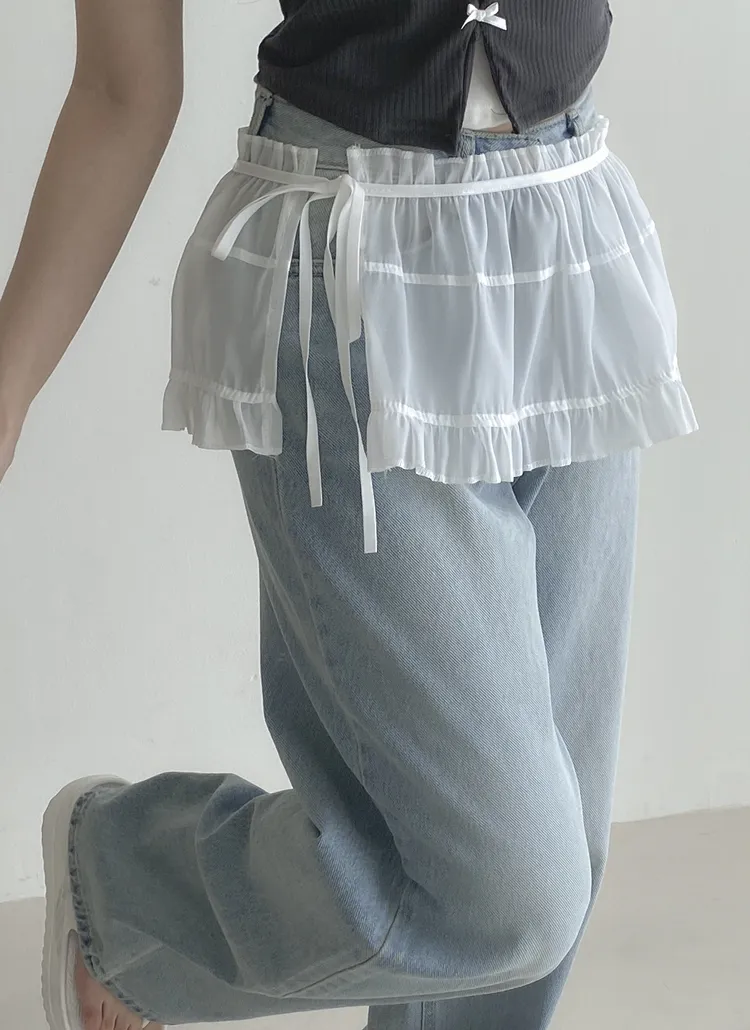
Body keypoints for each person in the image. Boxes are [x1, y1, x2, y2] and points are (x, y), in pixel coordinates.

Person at [0, 2, 698, 1030]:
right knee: (504, 890)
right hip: (351, 262)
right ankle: (126, 884)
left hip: (570, 228)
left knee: (553, 865)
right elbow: (121, 84)